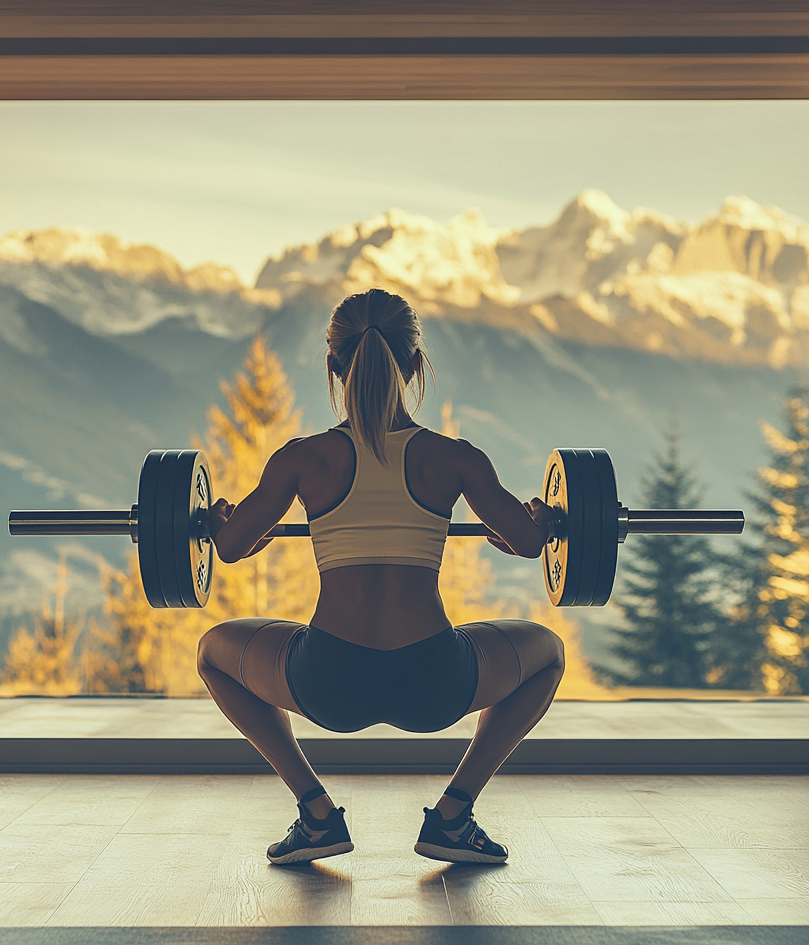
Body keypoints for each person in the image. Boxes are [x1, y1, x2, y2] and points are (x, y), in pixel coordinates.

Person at [197, 288, 564, 866]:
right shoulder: (455, 458)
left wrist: (221, 521)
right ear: (416, 366)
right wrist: (539, 520)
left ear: (333, 367)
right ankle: (453, 815)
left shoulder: (303, 458)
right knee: (548, 653)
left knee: (213, 652)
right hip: (435, 681)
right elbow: (527, 541)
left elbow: (232, 545)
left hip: (327, 681)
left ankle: (316, 815)